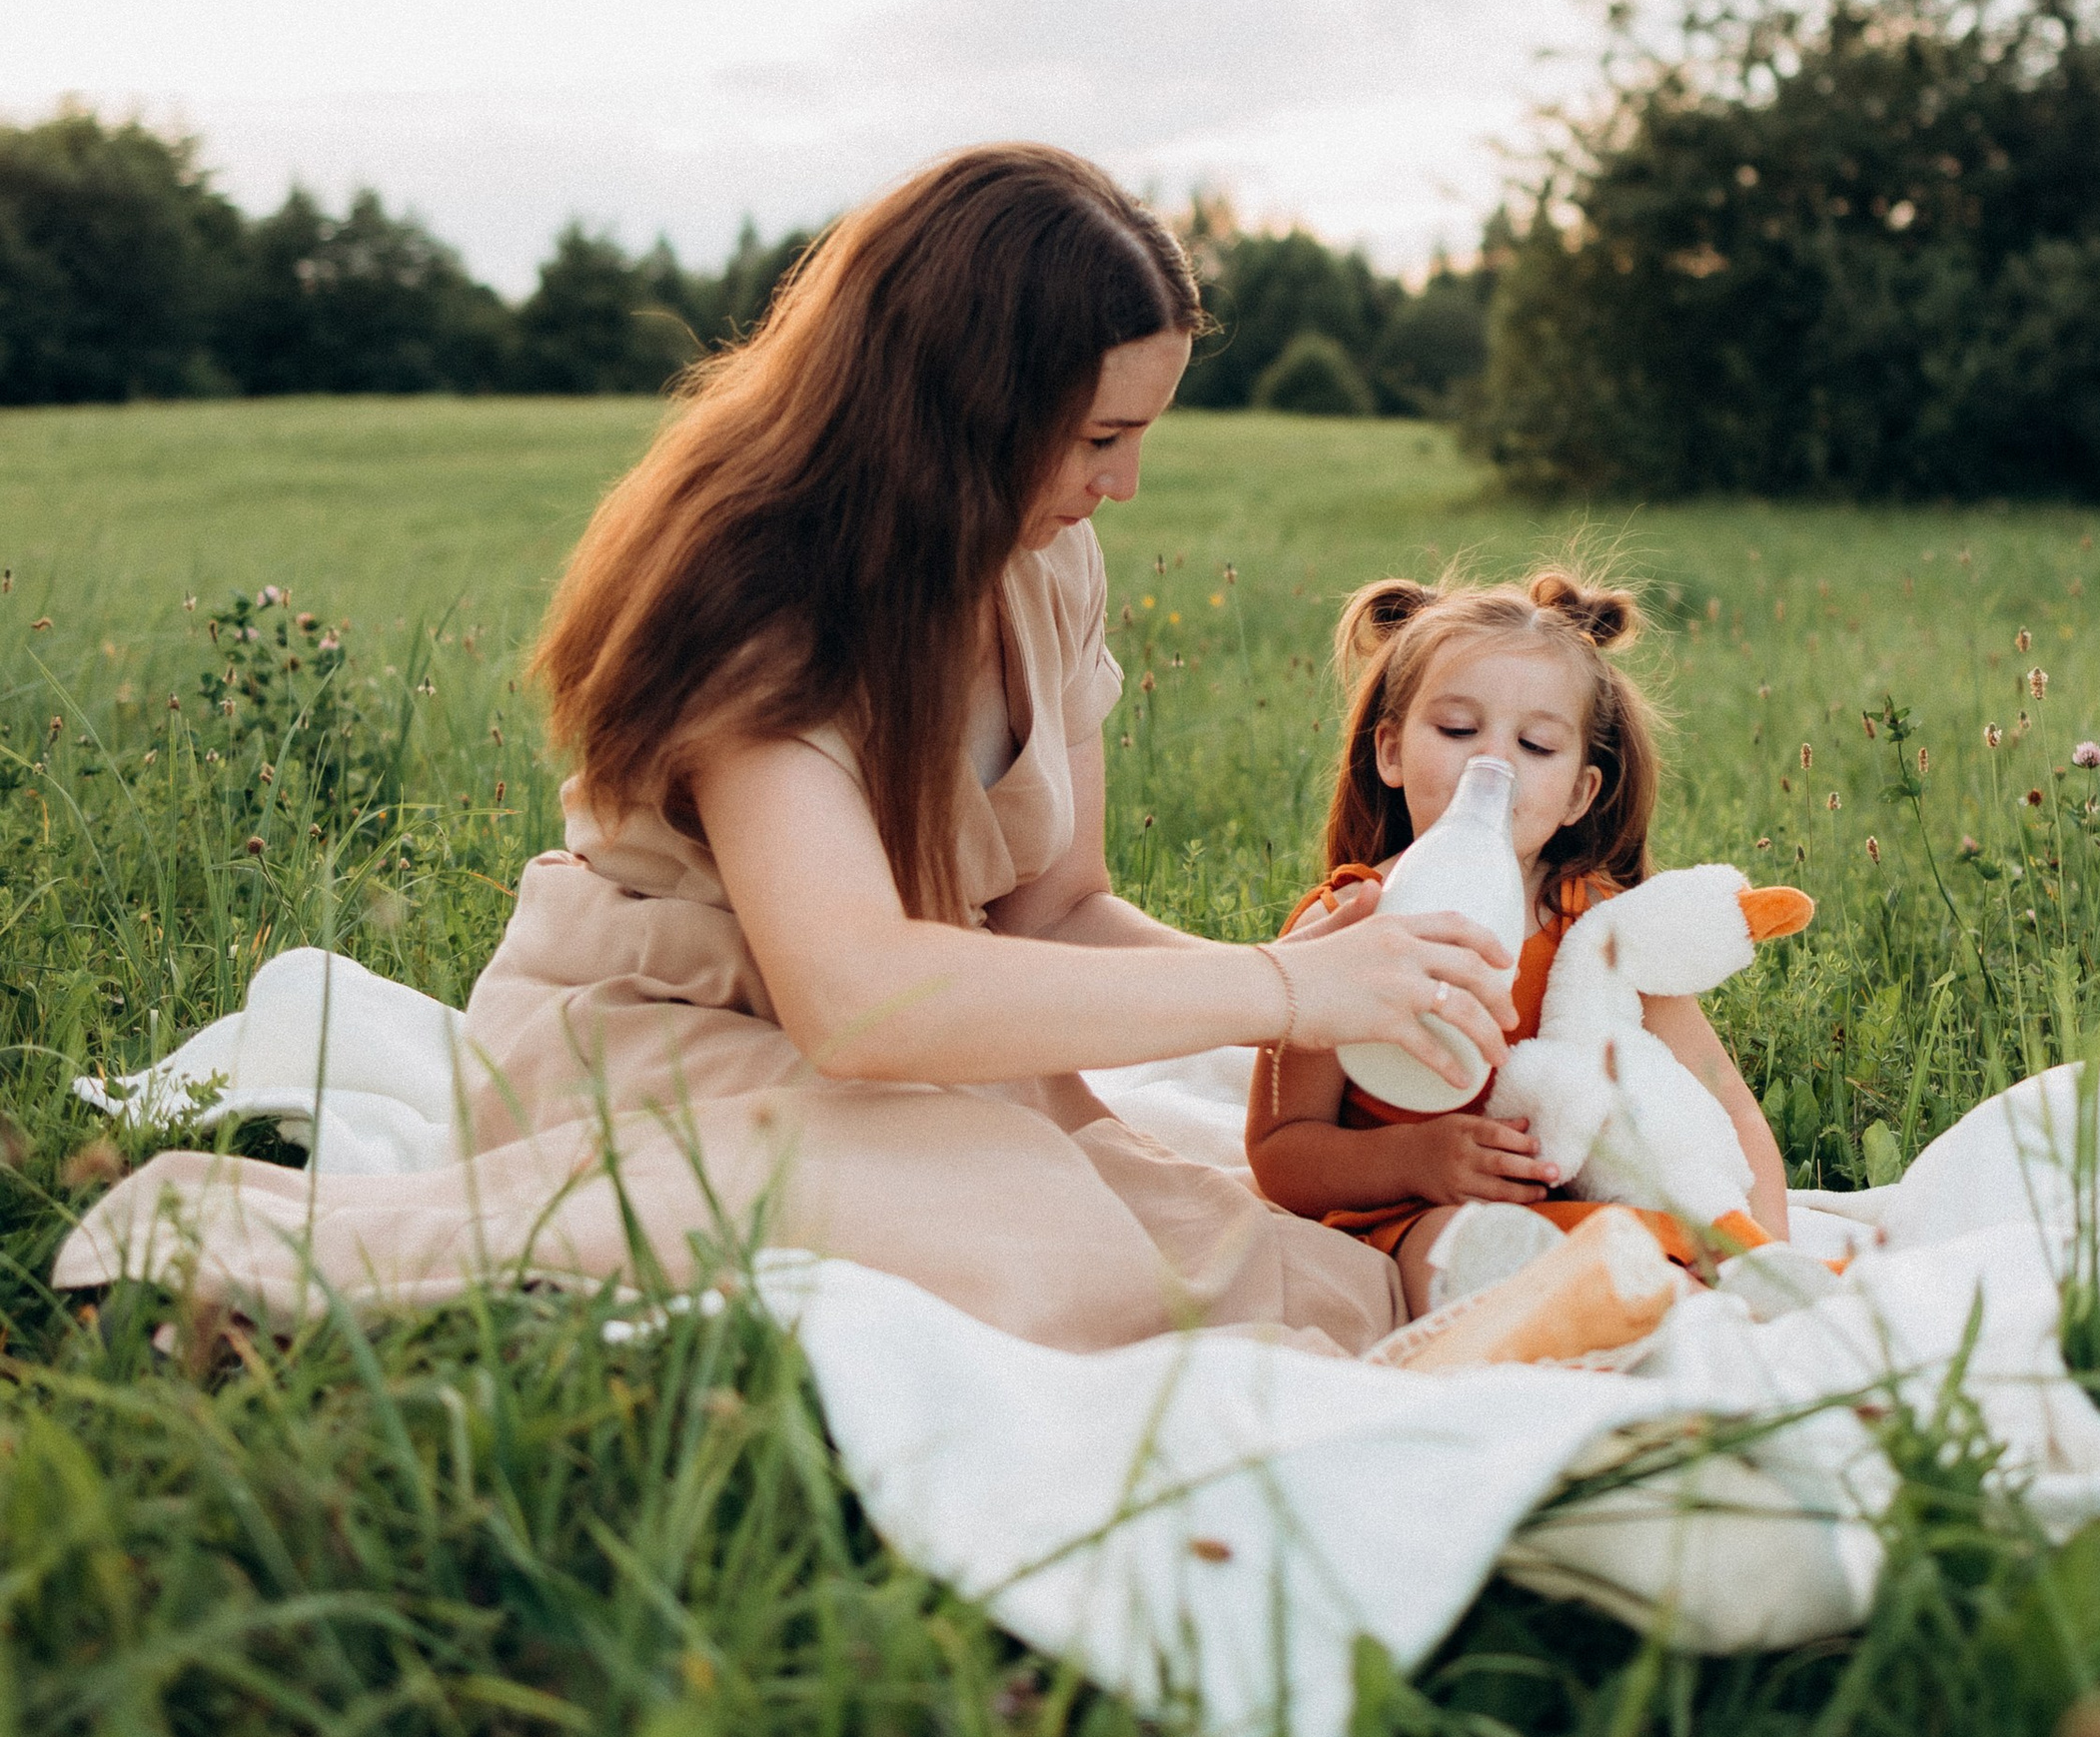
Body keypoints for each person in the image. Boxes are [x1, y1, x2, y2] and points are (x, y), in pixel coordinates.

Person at [61, 146, 1635, 1358]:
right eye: (1097, 438)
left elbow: (1053, 913)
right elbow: (861, 995)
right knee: (1052, 1241)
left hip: (926, 1046)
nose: (1127, 485)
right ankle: (282, 1254)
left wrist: (1332, 965)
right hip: (662, 1046)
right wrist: (1287, 992)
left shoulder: (1043, 556)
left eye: (1142, 432)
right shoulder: (760, 589)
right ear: (958, 410)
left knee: (1266, 1250)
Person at [1245, 571, 1791, 1332]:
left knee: (1656, 1253)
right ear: (1391, 751)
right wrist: (1414, 1161)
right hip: (1417, 1212)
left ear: (1578, 793)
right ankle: (1553, 1331)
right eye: (1458, 731)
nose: (1490, 765)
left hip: (1597, 1202)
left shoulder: (1602, 927)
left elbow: (1723, 1101)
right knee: (1463, 1253)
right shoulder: (1350, 922)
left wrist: (1763, 1252)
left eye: (1535, 744)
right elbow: (1279, 1151)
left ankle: (1660, 1316)